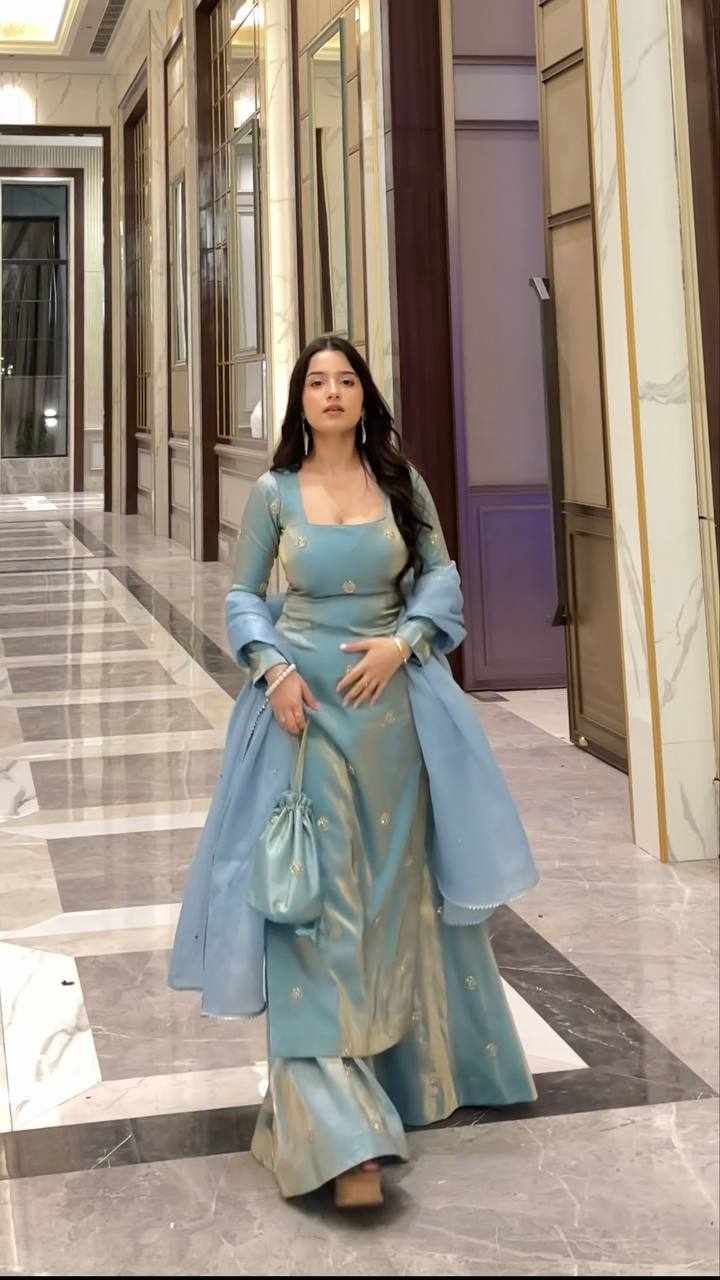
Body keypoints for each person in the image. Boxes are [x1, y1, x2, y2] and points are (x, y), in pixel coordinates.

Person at [168, 335, 540, 1208]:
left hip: (393, 717)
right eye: (316, 381)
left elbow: (440, 578)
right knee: (318, 905)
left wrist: (402, 643)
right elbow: (243, 595)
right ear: (300, 401)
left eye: (345, 380)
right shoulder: (274, 493)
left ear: (364, 397)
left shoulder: (401, 485)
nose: (331, 392)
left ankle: (403, 1082)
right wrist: (273, 670)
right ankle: (341, 1138)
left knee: (389, 900)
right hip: (302, 715)